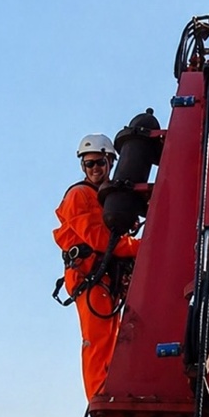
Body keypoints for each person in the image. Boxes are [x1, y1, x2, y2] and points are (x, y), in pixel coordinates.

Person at [54, 134, 140, 401]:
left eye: (100, 163)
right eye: (89, 164)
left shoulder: (105, 197)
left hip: (106, 280)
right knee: (98, 345)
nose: (94, 169)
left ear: (110, 162)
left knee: (113, 344)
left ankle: (111, 397)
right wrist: (142, 246)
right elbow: (100, 238)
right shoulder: (79, 195)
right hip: (91, 279)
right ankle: (100, 404)